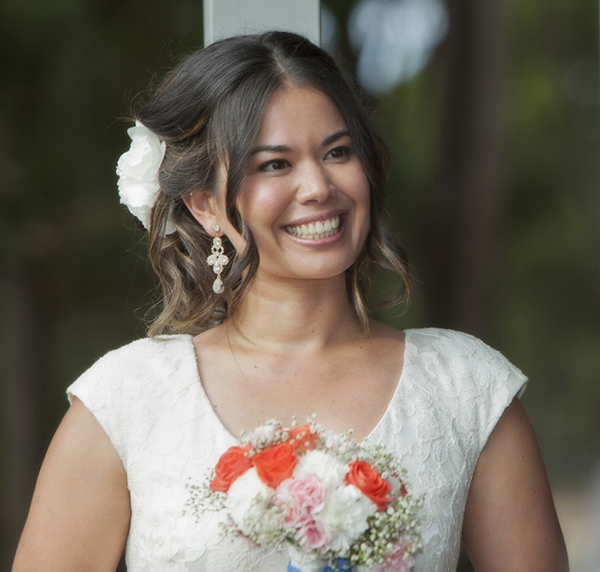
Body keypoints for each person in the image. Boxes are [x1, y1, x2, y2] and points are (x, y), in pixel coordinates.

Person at [12, 31, 568, 571]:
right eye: (275, 164)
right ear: (205, 204)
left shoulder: (465, 388)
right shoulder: (126, 400)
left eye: (338, 152)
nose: (318, 187)